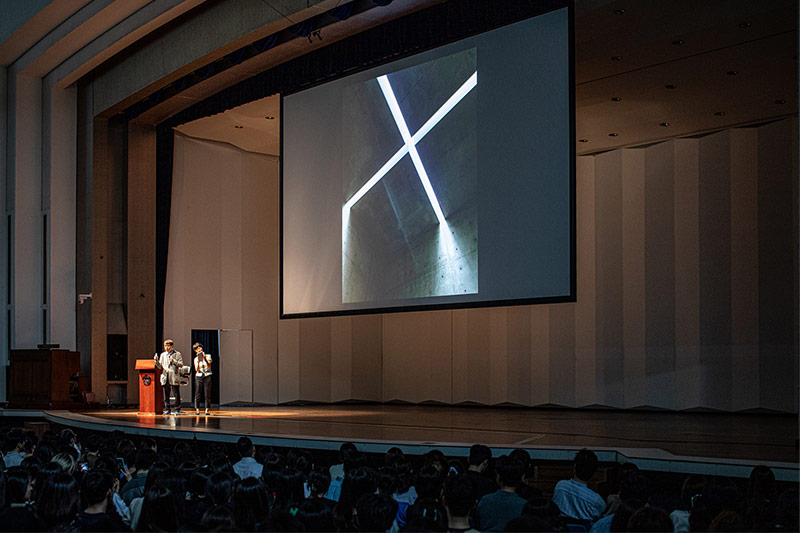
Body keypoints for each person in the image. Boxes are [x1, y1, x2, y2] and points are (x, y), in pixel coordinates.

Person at [154, 339, 183, 415]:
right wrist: (156, 361)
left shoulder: (177, 354)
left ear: (172, 346)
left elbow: (181, 364)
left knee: (176, 393)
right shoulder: (163, 355)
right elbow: (160, 367)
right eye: (165, 346)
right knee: (166, 394)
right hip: (165, 376)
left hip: (173, 376)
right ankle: (167, 409)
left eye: (168, 346)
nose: (166, 347)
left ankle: (177, 409)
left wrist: (173, 361)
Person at [193, 342, 213, 415]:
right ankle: (197, 409)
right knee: (198, 393)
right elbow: (196, 369)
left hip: (207, 375)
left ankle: (207, 409)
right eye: (197, 349)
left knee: (207, 393)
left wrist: (204, 358)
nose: (199, 350)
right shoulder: (195, 359)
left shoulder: (208, 356)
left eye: (199, 348)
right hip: (199, 376)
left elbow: (209, 364)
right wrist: (198, 361)